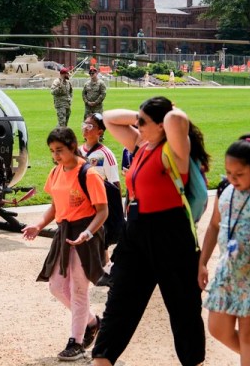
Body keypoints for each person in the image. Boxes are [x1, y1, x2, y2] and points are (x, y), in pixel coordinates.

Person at [92, 97, 209, 366]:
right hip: (136, 231)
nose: (138, 126)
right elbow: (109, 117)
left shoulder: (176, 148)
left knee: (184, 311)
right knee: (119, 303)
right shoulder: (142, 144)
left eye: (144, 122)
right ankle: (102, 359)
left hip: (171, 233)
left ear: (161, 124)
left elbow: (177, 120)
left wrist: (165, 112)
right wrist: (141, 117)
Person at [23, 127, 108, 361]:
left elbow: (103, 212)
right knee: (57, 287)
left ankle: (76, 342)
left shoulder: (89, 174)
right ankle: (92, 322)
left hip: (85, 234)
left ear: (73, 146)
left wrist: (88, 234)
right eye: (52, 151)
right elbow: (55, 204)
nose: (55, 156)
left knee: (79, 289)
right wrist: (38, 225)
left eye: (59, 150)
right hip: (65, 232)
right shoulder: (55, 171)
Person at [199, 135, 250, 366]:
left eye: (239, 174)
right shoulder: (225, 188)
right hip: (228, 270)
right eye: (228, 172)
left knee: (249, 333)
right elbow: (215, 224)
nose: (232, 178)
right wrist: (203, 261)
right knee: (217, 328)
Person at [79, 113, 121, 287]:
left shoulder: (106, 154)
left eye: (90, 126)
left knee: (101, 238)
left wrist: (117, 209)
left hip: (100, 202)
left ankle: (106, 268)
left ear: (100, 132)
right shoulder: (79, 151)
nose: (85, 129)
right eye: (85, 125)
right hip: (83, 202)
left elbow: (115, 183)